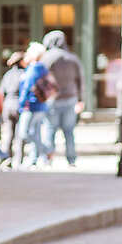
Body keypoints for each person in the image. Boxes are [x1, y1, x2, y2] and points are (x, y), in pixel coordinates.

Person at [40, 30, 86, 167]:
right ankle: (71, 160)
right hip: (70, 98)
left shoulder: (46, 58)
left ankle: (48, 159)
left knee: (50, 130)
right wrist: (81, 99)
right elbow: (81, 80)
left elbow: (40, 79)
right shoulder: (72, 58)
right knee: (69, 131)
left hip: (52, 99)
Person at [16, 42, 53, 167]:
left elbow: (26, 88)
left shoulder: (33, 69)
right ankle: (35, 158)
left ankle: (46, 151)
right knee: (35, 132)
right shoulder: (42, 68)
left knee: (25, 133)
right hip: (41, 105)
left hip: (31, 105)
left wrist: (21, 104)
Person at [0, 51, 26, 167]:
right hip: (19, 104)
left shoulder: (7, 75)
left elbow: (1, 92)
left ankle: (7, 158)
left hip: (7, 105)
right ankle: (19, 160)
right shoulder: (24, 74)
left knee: (8, 133)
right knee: (19, 134)